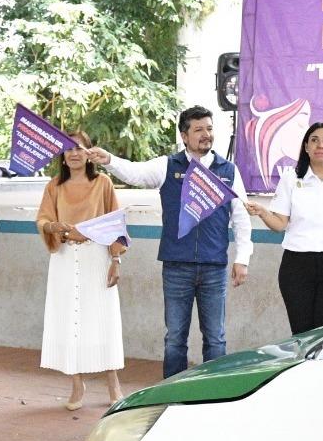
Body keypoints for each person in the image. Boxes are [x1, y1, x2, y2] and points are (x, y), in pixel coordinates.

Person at [87, 106, 252, 378]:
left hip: (214, 267)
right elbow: (135, 173)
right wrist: (109, 160)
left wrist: (242, 259)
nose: (206, 135)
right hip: (177, 267)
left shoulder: (228, 170)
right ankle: (171, 393)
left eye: (209, 129)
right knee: (175, 338)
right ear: (184, 136)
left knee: (216, 338)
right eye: (198, 129)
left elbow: (242, 217)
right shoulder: (169, 166)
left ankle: (215, 394)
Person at [246, 122, 323, 335]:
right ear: (306, 147)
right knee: (301, 335)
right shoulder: (291, 179)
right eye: (314, 140)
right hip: (297, 266)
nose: (321, 145)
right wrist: (263, 212)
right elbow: (280, 224)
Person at [36, 133, 125, 410]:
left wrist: (116, 260)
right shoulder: (54, 186)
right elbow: (43, 218)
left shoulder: (103, 183)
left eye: (78, 148)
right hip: (64, 258)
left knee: (102, 318)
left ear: (89, 152)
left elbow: (116, 224)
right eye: (67, 149)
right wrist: (51, 227)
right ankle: (76, 384)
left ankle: (113, 383)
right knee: (68, 319)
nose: (73, 153)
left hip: (96, 256)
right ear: (61, 155)